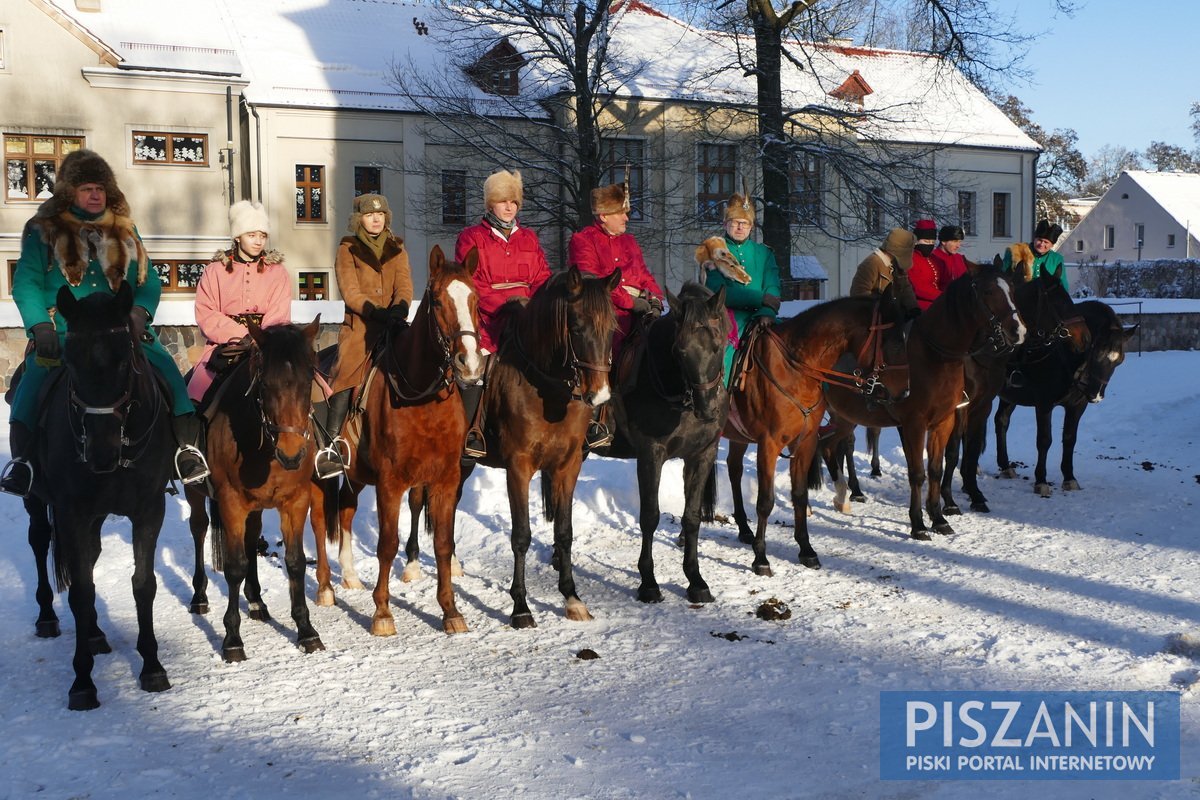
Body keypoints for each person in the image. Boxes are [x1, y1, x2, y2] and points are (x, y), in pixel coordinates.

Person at [1, 149, 209, 496]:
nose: (96, 195)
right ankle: (23, 462)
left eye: (100, 188)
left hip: (120, 329)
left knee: (167, 369)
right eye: (86, 188)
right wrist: (40, 326)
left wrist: (140, 312)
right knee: (33, 381)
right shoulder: (43, 231)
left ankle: (185, 451)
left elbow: (149, 280)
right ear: (70, 193)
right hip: (66, 330)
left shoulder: (125, 229)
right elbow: (26, 282)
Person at [455, 169, 550, 459]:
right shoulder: (471, 237)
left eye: (514, 202)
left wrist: (534, 308)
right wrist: (508, 304)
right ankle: (472, 430)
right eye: (503, 201)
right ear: (490, 204)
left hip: (528, 320)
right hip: (489, 321)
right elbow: (471, 282)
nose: (509, 207)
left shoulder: (529, 238)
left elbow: (542, 277)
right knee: (477, 368)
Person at [567, 177, 664, 449]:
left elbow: (644, 275)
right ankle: (598, 419)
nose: (626, 218)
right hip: (604, 311)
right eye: (621, 212)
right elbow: (594, 283)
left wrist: (655, 299)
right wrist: (631, 303)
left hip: (638, 310)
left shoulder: (630, 242)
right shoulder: (582, 240)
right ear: (603, 215)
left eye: (626, 212)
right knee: (604, 348)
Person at [325, 193, 413, 475]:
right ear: (359, 219)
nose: (375, 219)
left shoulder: (397, 247)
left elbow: (405, 285)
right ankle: (333, 441)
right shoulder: (347, 249)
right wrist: (377, 312)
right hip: (362, 326)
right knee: (346, 370)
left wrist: (399, 310)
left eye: (380, 214)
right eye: (369, 214)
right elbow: (350, 291)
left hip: (395, 323)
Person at [187, 200, 292, 406]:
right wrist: (241, 336)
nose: (258, 241)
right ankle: (191, 438)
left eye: (262, 236)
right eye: (251, 235)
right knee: (193, 394)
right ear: (237, 236)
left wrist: (260, 339)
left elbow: (279, 313)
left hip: (268, 345)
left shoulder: (278, 272)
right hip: (225, 345)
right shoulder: (215, 271)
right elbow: (206, 312)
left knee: (306, 386)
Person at [702, 187, 781, 385]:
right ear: (725, 223)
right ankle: (719, 403)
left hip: (762, 316)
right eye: (736, 222)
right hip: (728, 319)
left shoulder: (764, 253)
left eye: (745, 224)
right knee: (724, 360)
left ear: (751, 227)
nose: (740, 228)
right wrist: (759, 298)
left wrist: (767, 311)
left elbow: (772, 286)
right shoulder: (714, 253)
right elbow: (719, 293)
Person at [850, 227, 919, 317]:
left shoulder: (896, 264)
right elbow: (859, 294)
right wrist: (879, 308)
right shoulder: (871, 263)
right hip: (873, 320)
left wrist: (913, 308)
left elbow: (905, 288)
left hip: (893, 318)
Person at [1003, 219, 1067, 290]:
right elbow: (1003, 276)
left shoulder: (1057, 259)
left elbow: (1062, 283)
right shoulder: (1016, 252)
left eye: (1046, 242)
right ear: (1034, 239)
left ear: (1052, 245)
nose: (1041, 244)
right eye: (1039, 240)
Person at [906, 219, 942, 311]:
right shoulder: (911, 258)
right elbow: (918, 288)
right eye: (926, 241)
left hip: (935, 301)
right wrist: (943, 296)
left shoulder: (932, 259)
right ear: (917, 241)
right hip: (918, 304)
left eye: (932, 243)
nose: (930, 245)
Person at [931, 224, 968, 290]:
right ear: (943, 241)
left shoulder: (960, 259)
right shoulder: (932, 258)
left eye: (959, 242)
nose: (958, 246)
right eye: (955, 241)